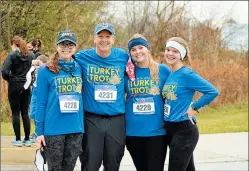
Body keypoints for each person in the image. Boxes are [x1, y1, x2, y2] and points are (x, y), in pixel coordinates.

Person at [75, 23, 129, 171]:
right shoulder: (82, 57)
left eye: (108, 36)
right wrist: (41, 63)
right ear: (94, 39)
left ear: (113, 39)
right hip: (91, 119)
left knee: (113, 163)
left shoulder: (123, 56)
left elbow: (143, 63)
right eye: (100, 36)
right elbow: (63, 60)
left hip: (116, 119)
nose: (104, 40)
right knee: (90, 163)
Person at [162, 37, 219, 171]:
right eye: (168, 50)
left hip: (184, 130)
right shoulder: (171, 74)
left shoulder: (187, 74)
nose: (170, 53)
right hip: (170, 128)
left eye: (175, 51)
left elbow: (212, 91)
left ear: (182, 54)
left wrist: (194, 107)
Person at [35, 30, 84, 171]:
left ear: (75, 47)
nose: (66, 47)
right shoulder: (45, 71)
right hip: (53, 130)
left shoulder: (79, 68)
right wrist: (39, 132)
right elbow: (40, 103)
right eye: (63, 44)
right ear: (57, 46)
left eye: (70, 44)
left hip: (75, 129)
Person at [125, 33, 171, 171]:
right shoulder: (127, 72)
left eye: (140, 47)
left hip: (157, 133)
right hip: (133, 132)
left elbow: (176, 92)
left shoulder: (162, 70)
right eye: (133, 49)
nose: (137, 52)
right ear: (130, 53)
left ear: (147, 49)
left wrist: (189, 109)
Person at [1, 35, 35, 147]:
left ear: (14, 45)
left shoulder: (11, 55)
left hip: (15, 85)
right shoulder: (31, 55)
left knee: (16, 113)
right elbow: (32, 70)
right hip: (26, 85)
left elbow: (5, 71)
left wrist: (10, 79)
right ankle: (27, 139)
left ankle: (17, 139)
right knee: (25, 113)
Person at [24, 54, 49, 143]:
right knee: (34, 114)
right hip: (34, 95)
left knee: (41, 114)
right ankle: (36, 131)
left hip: (41, 95)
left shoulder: (46, 72)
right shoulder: (33, 72)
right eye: (36, 65)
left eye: (39, 65)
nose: (36, 67)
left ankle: (42, 132)